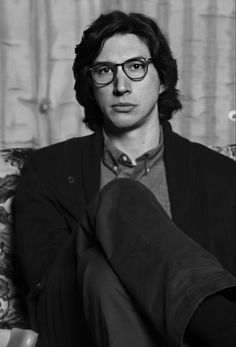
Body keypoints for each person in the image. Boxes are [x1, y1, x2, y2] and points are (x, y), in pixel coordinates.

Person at [14, 10, 236, 347]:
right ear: (91, 84)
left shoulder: (220, 175)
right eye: (105, 71)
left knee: (105, 273)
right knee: (113, 216)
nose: (121, 86)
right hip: (77, 328)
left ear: (161, 79)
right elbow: (46, 282)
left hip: (183, 336)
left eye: (136, 67)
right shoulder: (47, 169)